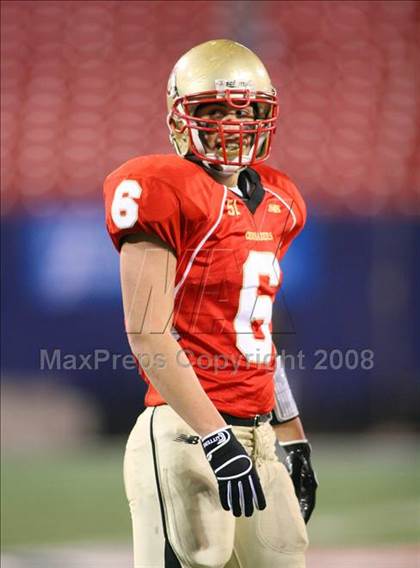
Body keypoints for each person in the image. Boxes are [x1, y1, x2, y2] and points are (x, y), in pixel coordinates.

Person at [104, 39, 317, 568]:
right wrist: (216, 440)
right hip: (187, 430)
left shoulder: (280, 199)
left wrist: (291, 436)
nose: (230, 124)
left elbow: (258, 333)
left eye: (243, 111)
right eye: (212, 109)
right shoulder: (161, 186)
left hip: (258, 433)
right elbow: (147, 332)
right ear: (182, 119)